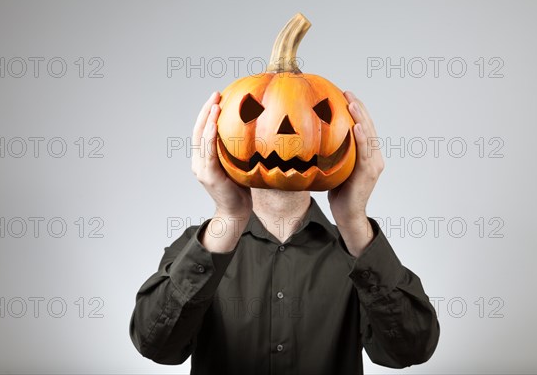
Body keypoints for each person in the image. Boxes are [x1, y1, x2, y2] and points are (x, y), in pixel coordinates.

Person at [129, 91, 440, 374]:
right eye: (252, 112)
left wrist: (354, 219)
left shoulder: (357, 252)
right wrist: (229, 215)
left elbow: (409, 350)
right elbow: (156, 346)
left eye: (320, 113)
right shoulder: (200, 247)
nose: (287, 133)